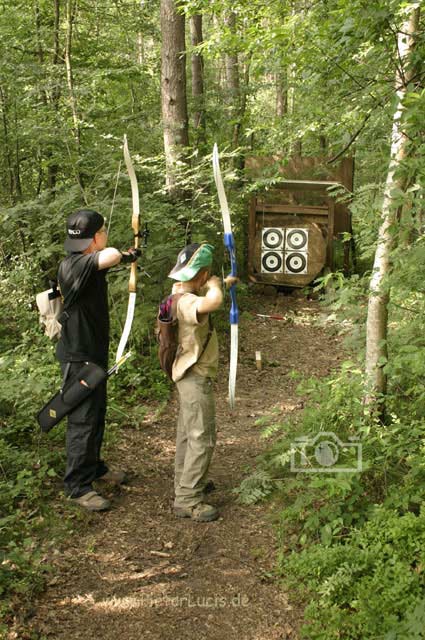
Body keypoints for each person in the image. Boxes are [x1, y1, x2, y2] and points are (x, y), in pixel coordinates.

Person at [56, 209, 140, 512]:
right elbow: (108, 257)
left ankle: (94, 469)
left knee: (96, 413)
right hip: (79, 359)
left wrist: (131, 255)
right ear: (94, 238)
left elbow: (112, 259)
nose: (106, 236)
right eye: (103, 231)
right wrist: (120, 253)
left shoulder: (86, 263)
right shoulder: (74, 265)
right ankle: (77, 486)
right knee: (83, 419)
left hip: (92, 354)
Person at [168, 242, 237, 522]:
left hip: (188, 377)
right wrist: (216, 286)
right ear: (201, 275)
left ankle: (185, 484)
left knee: (188, 434)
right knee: (202, 438)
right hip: (194, 379)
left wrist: (221, 282)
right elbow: (213, 301)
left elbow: (204, 295)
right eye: (204, 275)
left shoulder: (179, 294)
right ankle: (187, 500)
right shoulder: (186, 303)